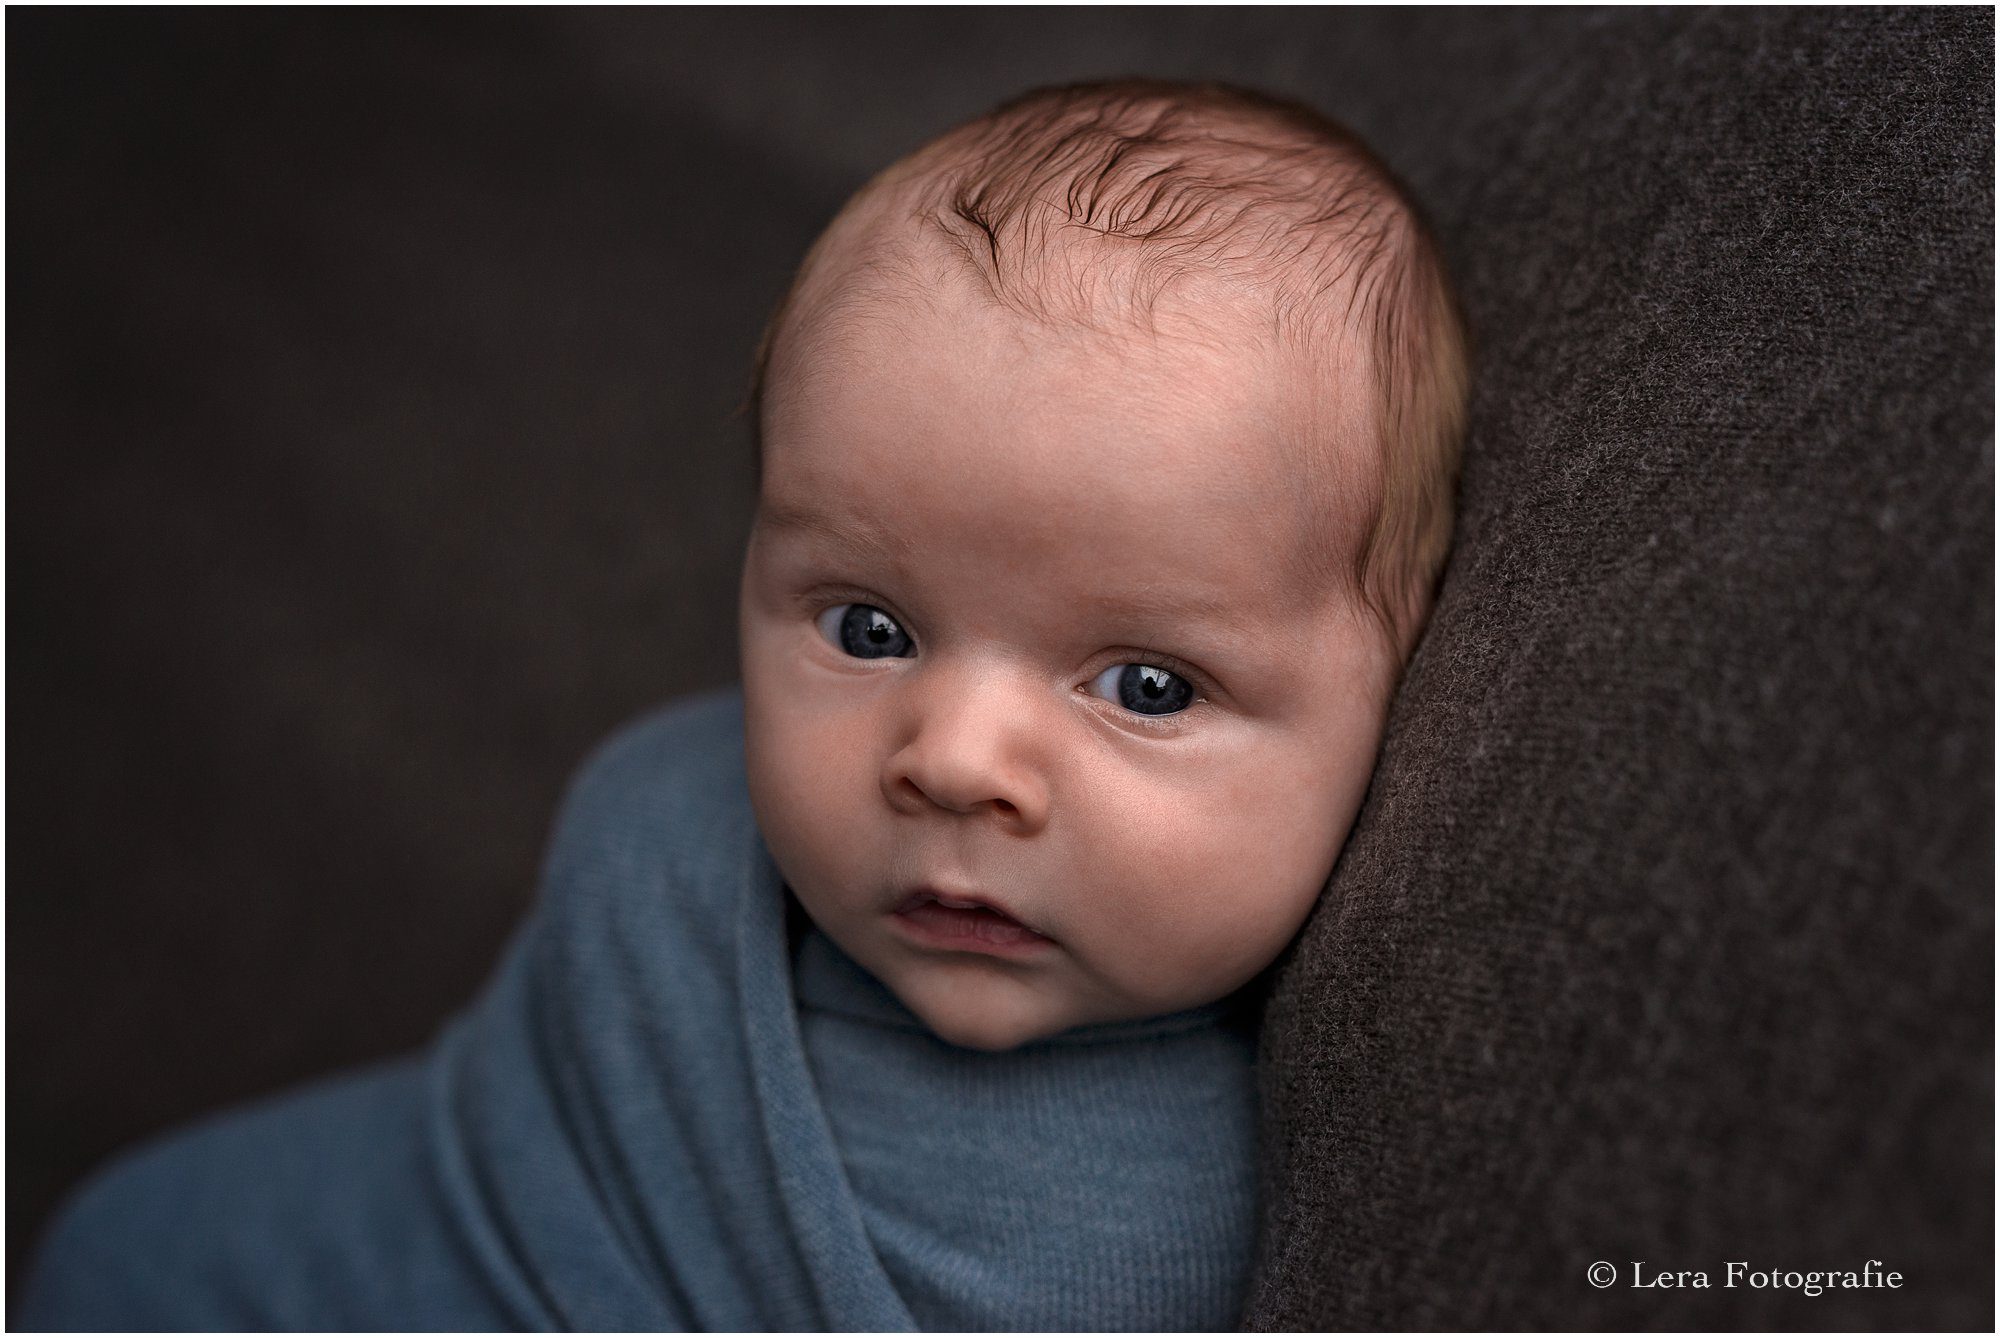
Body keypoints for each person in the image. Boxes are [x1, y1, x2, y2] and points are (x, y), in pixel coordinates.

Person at [18, 78, 1467, 1331]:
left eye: (1146, 686)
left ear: (1393, 705)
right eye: (869, 626)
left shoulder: (1170, 1235)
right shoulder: (681, 850)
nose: (954, 761)